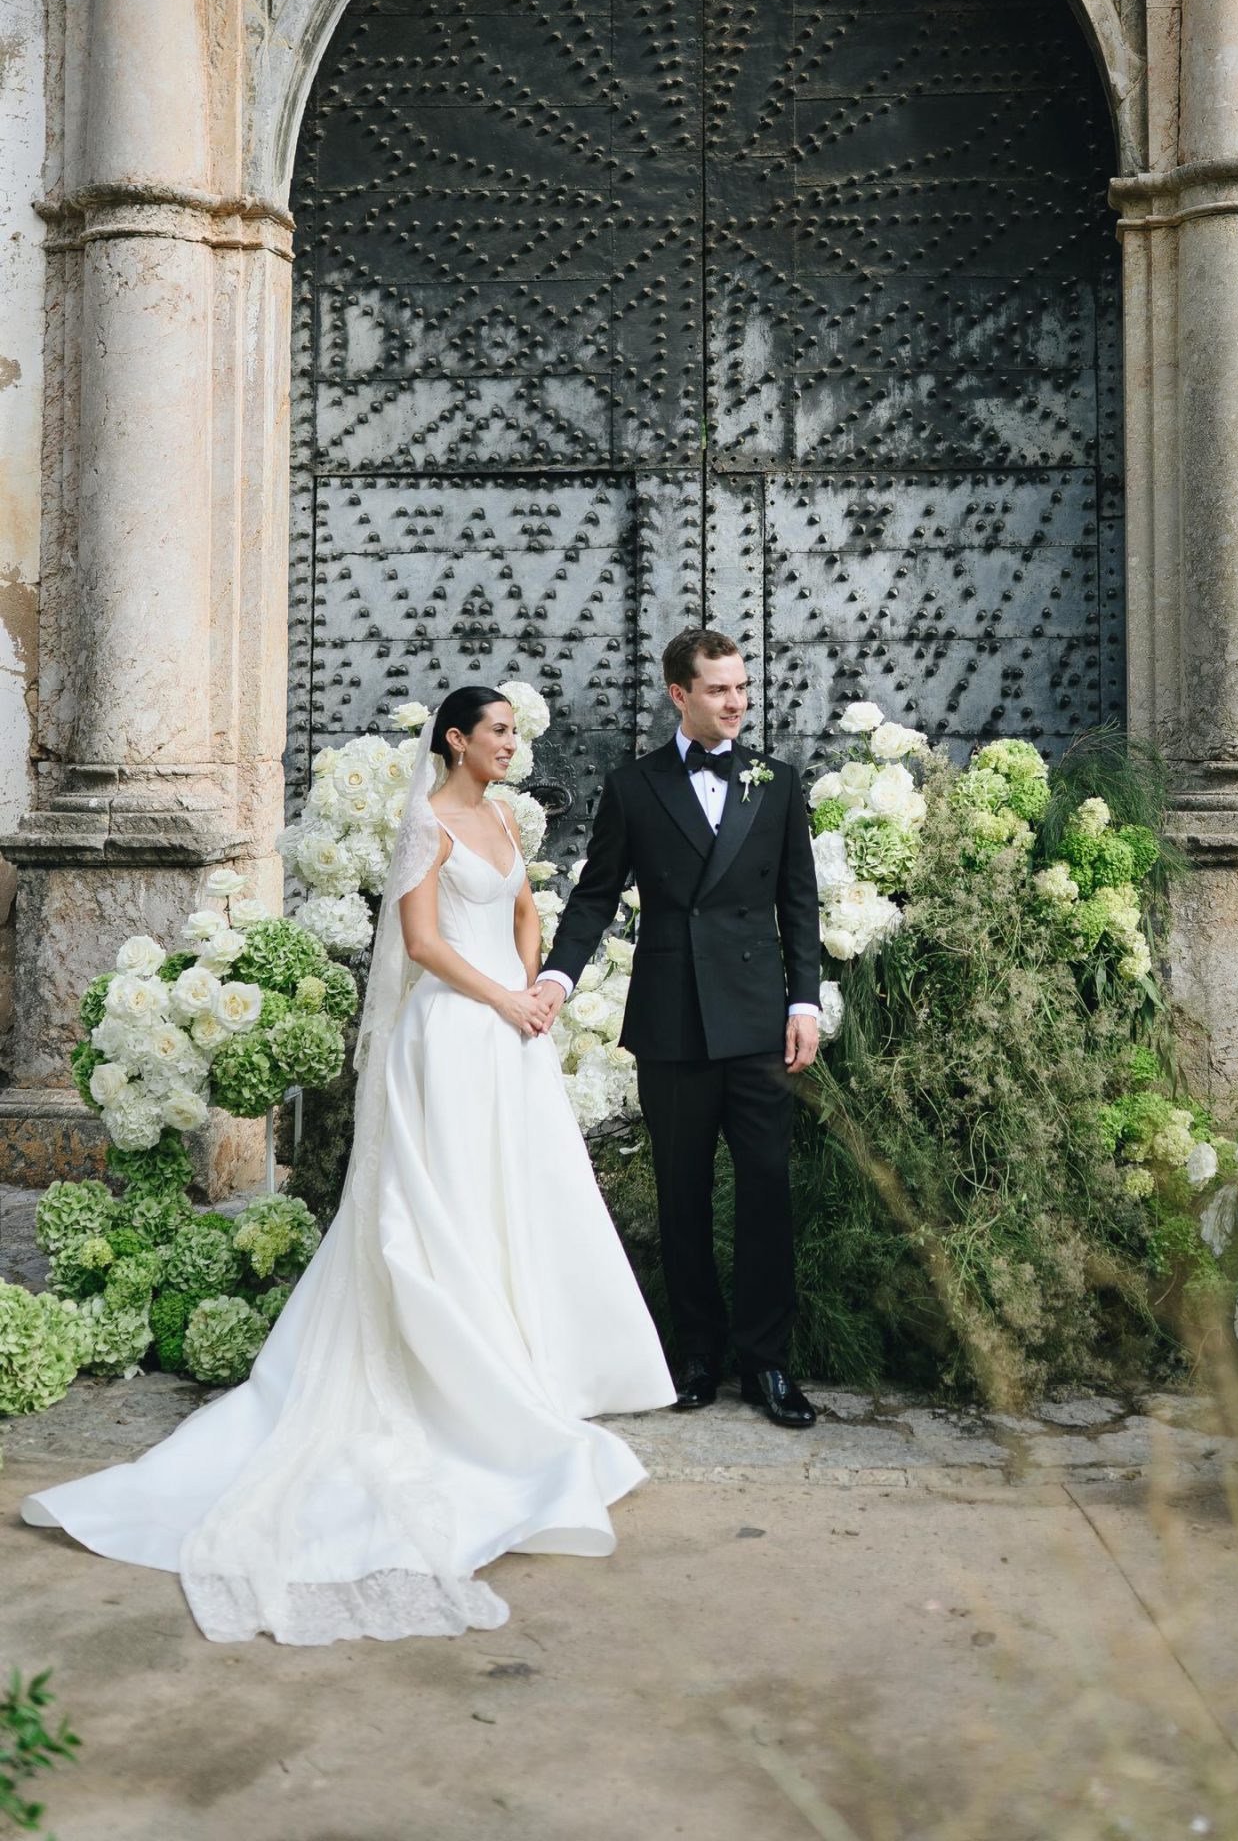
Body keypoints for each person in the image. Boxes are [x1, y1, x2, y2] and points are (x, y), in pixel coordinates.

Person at [22, 686, 675, 1644]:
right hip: (451, 1036)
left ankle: (531, 1356)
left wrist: (535, 991)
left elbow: (530, 908)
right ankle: (459, 1376)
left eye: (512, 732)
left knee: (515, 1200)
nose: (511, 743)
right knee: (440, 1204)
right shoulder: (423, 825)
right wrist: (498, 997)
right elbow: (419, 944)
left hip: (509, 1037)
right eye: (498, 730)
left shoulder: (498, 816)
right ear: (456, 740)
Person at [541, 628, 822, 1427]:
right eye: (719, 690)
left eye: (741, 688)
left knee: (766, 1193)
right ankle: (695, 1354)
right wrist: (558, 976)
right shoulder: (634, 787)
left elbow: (797, 902)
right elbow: (595, 895)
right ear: (679, 695)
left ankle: (768, 1365)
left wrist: (802, 1001)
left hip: (759, 1020)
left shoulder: (776, 780)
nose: (736, 702)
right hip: (670, 1021)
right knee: (682, 1194)